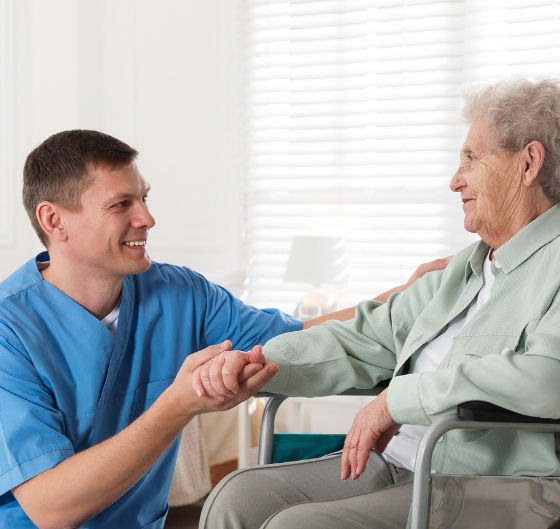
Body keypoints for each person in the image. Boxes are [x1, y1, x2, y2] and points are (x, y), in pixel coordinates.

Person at [0, 130, 445, 529]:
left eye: (144, 198)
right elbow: (50, 509)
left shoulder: (179, 292)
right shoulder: (9, 330)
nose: (147, 219)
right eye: (121, 205)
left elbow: (300, 336)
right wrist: (177, 405)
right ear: (54, 221)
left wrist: (403, 295)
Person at [198, 78, 560, 529]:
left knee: (298, 526)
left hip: (493, 483)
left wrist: (396, 401)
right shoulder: (461, 270)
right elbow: (361, 337)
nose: (455, 180)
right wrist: (255, 364)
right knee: (238, 497)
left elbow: (545, 378)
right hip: (400, 463)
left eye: (472, 158)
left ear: (529, 163)